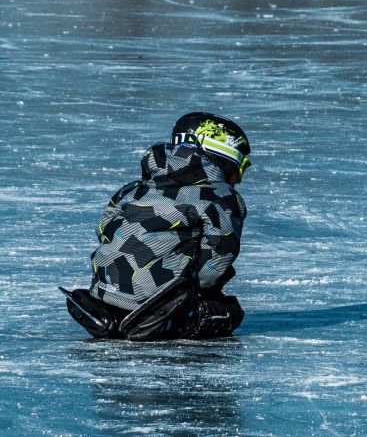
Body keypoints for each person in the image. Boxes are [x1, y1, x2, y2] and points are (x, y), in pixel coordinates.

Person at [61, 112, 252, 340]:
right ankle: (157, 320)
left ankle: (114, 312)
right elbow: (218, 258)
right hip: (161, 303)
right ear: (223, 158)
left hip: (105, 294)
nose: (238, 179)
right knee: (229, 311)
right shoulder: (221, 197)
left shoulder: (132, 189)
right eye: (240, 167)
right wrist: (197, 290)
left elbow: (104, 229)